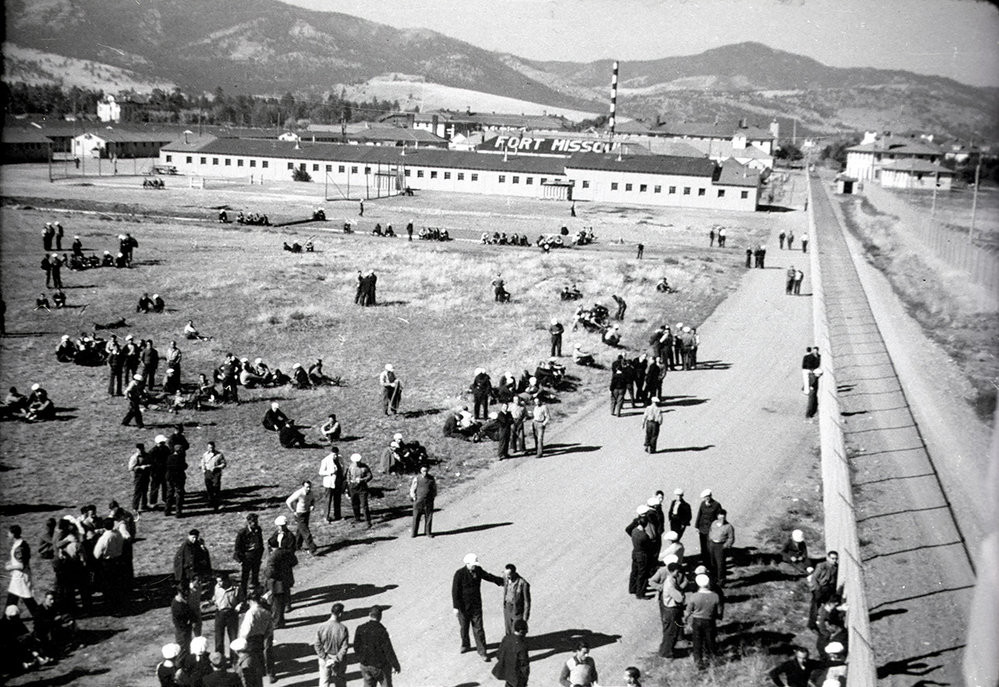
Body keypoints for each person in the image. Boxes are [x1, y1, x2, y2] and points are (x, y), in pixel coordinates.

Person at [452, 553, 504, 661]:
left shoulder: (478, 570)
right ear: (467, 564)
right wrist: (456, 607)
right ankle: (465, 644)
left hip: (476, 606)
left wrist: (501, 581)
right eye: (472, 565)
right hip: (463, 608)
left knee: (479, 629)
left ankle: (482, 651)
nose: (474, 566)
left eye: (475, 564)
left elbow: (488, 576)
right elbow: (455, 591)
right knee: (464, 628)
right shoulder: (459, 574)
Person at [353, 606, 401, 686]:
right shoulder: (381, 631)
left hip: (365, 665)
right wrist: (395, 665)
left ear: (369, 615)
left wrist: (362, 659)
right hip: (380, 666)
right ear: (380, 617)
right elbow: (388, 650)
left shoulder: (360, 628)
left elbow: (356, 647)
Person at [648, 560, 685, 658]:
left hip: (669, 609)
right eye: (677, 571)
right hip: (671, 610)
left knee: (669, 631)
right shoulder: (670, 583)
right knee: (671, 633)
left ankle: (664, 650)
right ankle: (666, 653)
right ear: (672, 571)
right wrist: (682, 595)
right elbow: (679, 598)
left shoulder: (670, 579)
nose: (678, 573)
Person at [684, 573, 721, 670]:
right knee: (710, 641)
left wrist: (685, 619)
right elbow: (719, 611)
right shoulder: (715, 596)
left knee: (697, 642)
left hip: (697, 621)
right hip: (709, 621)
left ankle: (698, 662)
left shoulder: (694, 596)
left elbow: (688, 611)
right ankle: (713, 659)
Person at [238, 591, 275, 685]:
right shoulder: (265, 612)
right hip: (261, 638)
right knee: (259, 662)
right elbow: (270, 628)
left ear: (250, 601)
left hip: (250, 640)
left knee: (250, 664)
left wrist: (242, 639)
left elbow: (246, 629)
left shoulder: (251, 613)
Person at [6, 525, 39, 617]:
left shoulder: (19, 548)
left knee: (28, 599)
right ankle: (5, 620)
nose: (8, 534)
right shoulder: (22, 543)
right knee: (12, 598)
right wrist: (11, 562)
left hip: (20, 577)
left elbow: (21, 565)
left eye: (9, 533)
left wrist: (10, 567)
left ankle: (40, 618)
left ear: (13, 534)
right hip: (19, 576)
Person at [315, 602, 349, 687]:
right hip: (338, 660)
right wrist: (337, 659)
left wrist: (326, 658)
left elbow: (317, 645)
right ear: (340, 614)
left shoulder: (321, 627)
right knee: (340, 682)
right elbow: (344, 647)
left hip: (324, 659)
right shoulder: (343, 628)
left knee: (324, 681)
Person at [233, 513, 264, 601]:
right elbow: (237, 548)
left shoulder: (258, 529)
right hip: (246, 558)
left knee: (255, 576)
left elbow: (260, 543)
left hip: (256, 557)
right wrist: (241, 560)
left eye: (256, 521)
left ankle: (255, 595)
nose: (255, 523)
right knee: (245, 578)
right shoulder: (242, 533)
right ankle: (243, 596)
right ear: (249, 522)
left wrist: (260, 555)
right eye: (253, 522)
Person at [492, 618, 529, 687]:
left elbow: (499, 654)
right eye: (526, 630)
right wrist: (524, 681)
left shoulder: (506, 638)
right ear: (521, 631)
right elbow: (524, 666)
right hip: (517, 679)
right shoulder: (522, 646)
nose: (527, 631)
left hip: (507, 674)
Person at [808, 551, 839, 629]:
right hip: (820, 587)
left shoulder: (836, 567)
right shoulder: (821, 566)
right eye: (832, 558)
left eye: (836, 558)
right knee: (815, 605)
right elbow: (814, 578)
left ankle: (826, 624)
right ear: (827, 558)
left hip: (829, 589)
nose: (834, 560)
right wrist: (818, 589)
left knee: (830, 605)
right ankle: (812, 624)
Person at [286, 481, 318, 555]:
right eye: (307, 487)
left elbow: (313, 500)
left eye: (310, 487)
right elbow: (288, 501)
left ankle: (296, 546)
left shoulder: (311, 493)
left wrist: (312, 505)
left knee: (300, 530)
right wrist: (293, 511)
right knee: (306, 531)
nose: (308, 488)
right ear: (303, 486)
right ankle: (312, 548)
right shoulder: (299, 493)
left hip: (306, 513)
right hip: (299, 514)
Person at [213, 573, 239, 660]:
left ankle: (234, 659)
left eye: (220, 581)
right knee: (219, 638)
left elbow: (242, 600)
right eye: (218, 581)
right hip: (220, 613)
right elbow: (215, 598)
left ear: (226, 580)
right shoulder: (217, 587)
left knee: (233, 637)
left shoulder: (236, 588)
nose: (219, 583)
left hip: (231, 613)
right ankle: (219, 659)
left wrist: (239, 606)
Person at [707, 510, 735, 586]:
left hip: (721, 546)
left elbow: (731, 538)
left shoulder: (729, 527)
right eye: (720, 516)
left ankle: (721, 581)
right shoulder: (714, 523)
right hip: (712, 544)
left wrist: (725, 546)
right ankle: (713, 579)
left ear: (725, 517)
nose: (721, 518)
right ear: (717, 516)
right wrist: (710, 540)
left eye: (723, 516)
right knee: (712, 563)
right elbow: (710, 531)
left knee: (720, 564)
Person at [501, 564, 531, 636]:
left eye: (509, 575)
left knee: (516, 630)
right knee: (508, 629)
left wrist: (525, 618)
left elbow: (527, 602)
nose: (507, 577)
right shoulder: (506, 579)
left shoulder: (523, 583)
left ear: (514, 573)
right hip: (507, 607)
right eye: (506, 574)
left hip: (517, 609)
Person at [695, 489, 723, 565]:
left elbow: (720, 518)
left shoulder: (716, 505)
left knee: (710, 548)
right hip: (702, 529)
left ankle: (712, 564)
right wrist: (697, 526)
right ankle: (705, 563)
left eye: (705, 498)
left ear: (709, 497)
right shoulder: (702, 504)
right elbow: (699, 515)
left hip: (711, 530)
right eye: (704, 498)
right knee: (703, 548)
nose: (704, 499)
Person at [409, 463, 437, 538]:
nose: (425, 472)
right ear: (421, 471)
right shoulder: (417, 479)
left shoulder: (431, 479)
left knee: (429, 517)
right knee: (416, 517)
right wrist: (414, 497)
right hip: (418, 501)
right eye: (423, 471)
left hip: (428, 501)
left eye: (426, 471)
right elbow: (412, 489)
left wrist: (433, 496)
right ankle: (414, 533)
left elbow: (434, 489)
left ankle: (428, 532)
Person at [171, 585, 197, 660]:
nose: (187, 593)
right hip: (182, 630)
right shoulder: (177, 605)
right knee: (182, 650)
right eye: (185, 591)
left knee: (187, 648)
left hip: (185, 629)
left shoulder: (183, 601)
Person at [319, 448, 345, 523]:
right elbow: (321, 472)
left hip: (338, 482)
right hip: (329, 483)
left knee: (337, 499)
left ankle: (338, 515)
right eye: (334, 455)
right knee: (328, 500)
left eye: (336, 454)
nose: (335, 456)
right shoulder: (325, 460)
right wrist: (330, 472)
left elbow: (343, 467)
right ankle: (326, 517)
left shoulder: (340, 458)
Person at [347, 453, 373, 527]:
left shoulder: (364, 467)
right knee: (354, 504)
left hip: (362, 488)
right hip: (353, 487)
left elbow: (370, 476)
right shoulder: (350, 467)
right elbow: (348, 476)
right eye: (355, 462)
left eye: (358, 461)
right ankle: (357, 518)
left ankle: (368, 521)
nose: (357, 463)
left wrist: (362, 480)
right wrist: (349, 483)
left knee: (364, 505)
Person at [200, 442, 227, 512]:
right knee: (209, 489)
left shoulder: (219, 455)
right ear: (207, 447)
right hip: (208, 473)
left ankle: (216, 504)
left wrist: (217, 467)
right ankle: (210, 502)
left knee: (216, 488)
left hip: (216, 473)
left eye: (212, 447)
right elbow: (202, 463)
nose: (210, 449)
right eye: (209, 447)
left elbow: (224, 464)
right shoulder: (205, 454)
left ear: (214, 447)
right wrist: (204, 471)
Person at [164, 443, 189, 517]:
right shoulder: (180, 458)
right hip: (179, 479)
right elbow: (184, 466)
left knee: (169, 494)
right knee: (179, 495)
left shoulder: (169, 457)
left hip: (170, 478)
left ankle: (167, 510)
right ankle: (178, 512)